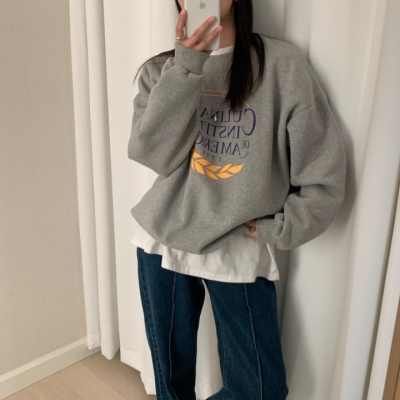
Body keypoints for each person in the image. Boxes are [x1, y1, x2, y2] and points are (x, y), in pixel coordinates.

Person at [128, 0, 346, 399]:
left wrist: (279, 228)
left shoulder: (282, 67)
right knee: (171, 385)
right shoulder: (160, 71)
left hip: (236, 244)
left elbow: (323, 175)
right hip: (163, 241)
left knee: (260, 391)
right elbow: (153, 155)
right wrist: (186, 67)